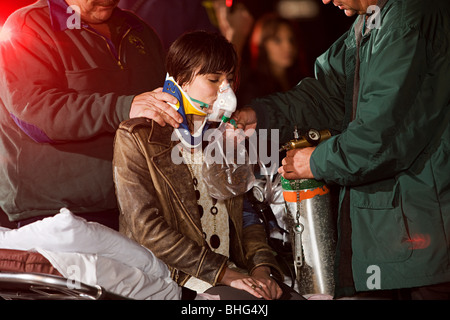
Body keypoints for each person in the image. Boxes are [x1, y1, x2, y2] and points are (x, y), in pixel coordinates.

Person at [231, 0, 450, 299]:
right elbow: (326, 95)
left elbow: (381, 134)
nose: (324, 0)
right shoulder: (371, 22)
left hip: (425, 232)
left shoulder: (407, 18)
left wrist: (316, 161)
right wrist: (263, 115)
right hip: (397, 235)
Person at [113, 30, 302, 300]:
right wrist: (226, 274)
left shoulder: (225, 137)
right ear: (180, 81)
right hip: (171, 278)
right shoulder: (137, 136)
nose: (225, 91)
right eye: (213, 80)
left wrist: (262, 271)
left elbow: (247, 217)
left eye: (229, 80)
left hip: (231, 276)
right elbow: (147, 229)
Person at [0, 0, 182, 230]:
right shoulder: (29, 26)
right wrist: (124, 108)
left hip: (141, 206)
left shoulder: (138, 30)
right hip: (58, 215)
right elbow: (36, 115)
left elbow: (167, 104)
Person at [237, 13, 309, 106]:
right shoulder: (253, 86)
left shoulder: (303, 80)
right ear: (262, 45)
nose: (288, 47)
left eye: (291, 39)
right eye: (277, 40)